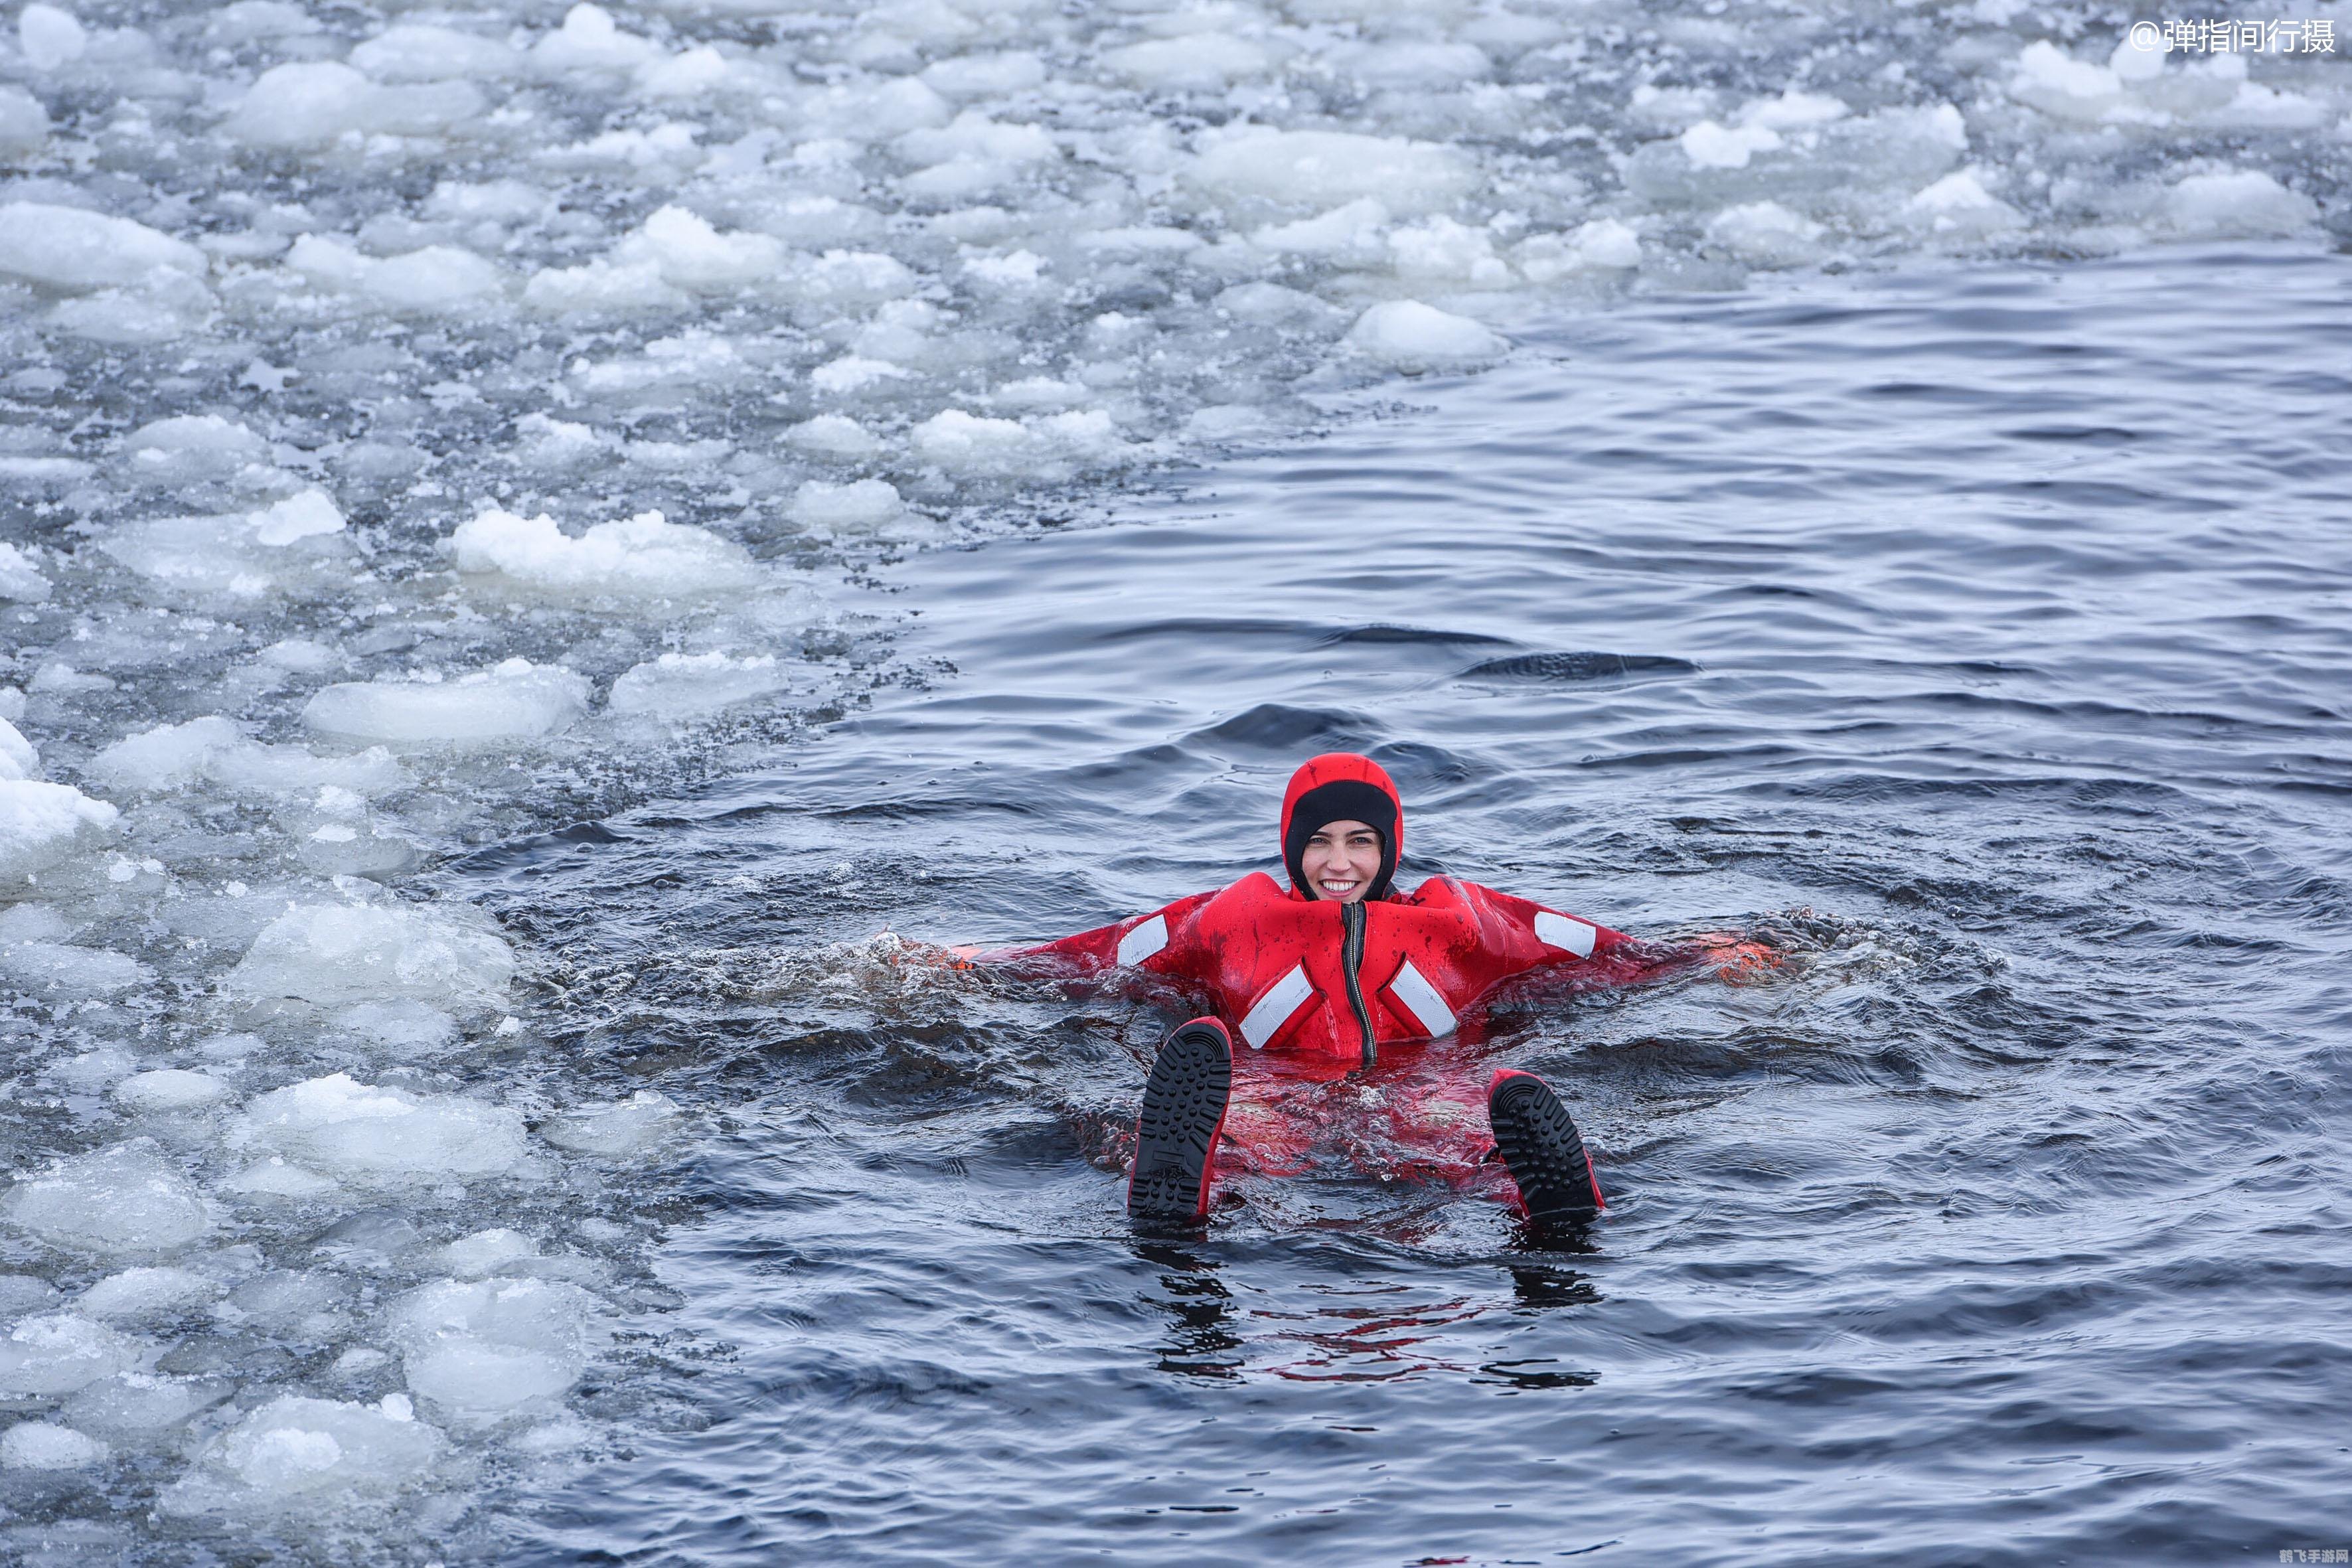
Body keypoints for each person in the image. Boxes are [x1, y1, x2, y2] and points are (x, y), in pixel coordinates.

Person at [978, 752, 1732, 1235]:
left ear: (1390, 846)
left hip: (1425, 1075)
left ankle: (1551, 1200)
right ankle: (1182, 1190)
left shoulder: (1461, 921)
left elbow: (1590, 947)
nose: (1338, 863)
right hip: (1276, 1076)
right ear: (1290, 847)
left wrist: (1709, 954)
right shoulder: (1228, 919)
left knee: (1465, 1134)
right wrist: (967, 964)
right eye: (1319, 842)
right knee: (1244, 1133)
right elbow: (1094, 955)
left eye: (1360, 841)